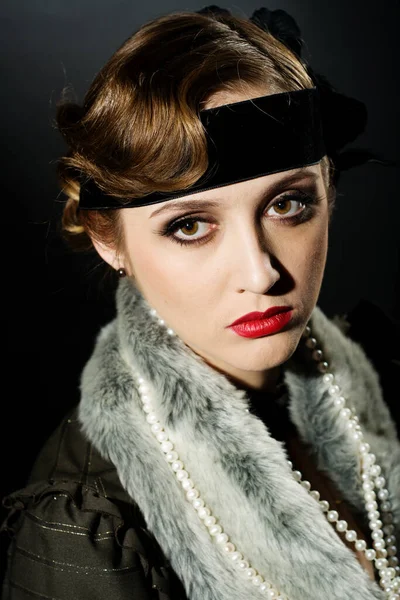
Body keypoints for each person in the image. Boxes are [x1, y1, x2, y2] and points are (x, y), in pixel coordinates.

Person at [1, 6, 399, 600]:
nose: (260, 272)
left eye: (287, 204)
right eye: (190, 226)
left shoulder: (383, 376)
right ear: (110, 241)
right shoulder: (85, 528)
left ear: (329, 194)